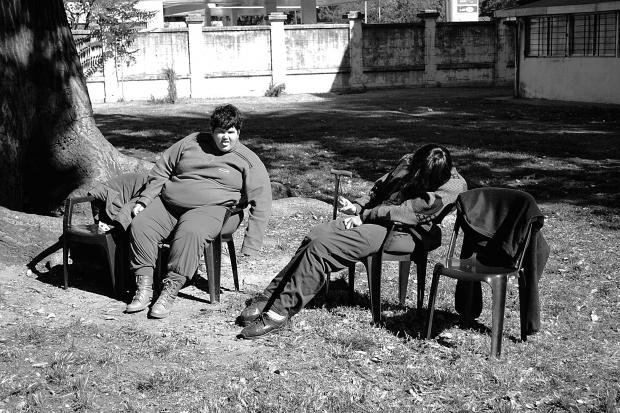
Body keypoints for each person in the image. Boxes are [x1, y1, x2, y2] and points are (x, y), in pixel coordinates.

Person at [237, 144, 467, 339]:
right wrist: (357, 206)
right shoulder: (409, 161)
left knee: (322, 249)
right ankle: (270, 296)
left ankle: (279, 311)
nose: (415, 178)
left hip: (404, 233)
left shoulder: (453, 186)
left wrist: (363, 216)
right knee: (315, 234)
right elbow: (381, 187)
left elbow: (407, 212)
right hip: (371, 219)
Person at [126, 104, 272, 318]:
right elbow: (163, 169)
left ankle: (170, 289)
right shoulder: (192, 142)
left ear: (238, 133)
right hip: (170, 203)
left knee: (191, 232)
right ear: (211, 131)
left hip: (212, 209)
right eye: (220, 132)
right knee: (141, 224)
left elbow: (262, 201)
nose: (225, 138)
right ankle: (144, 286)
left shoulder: (248, 160)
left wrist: (251, 245)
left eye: (231, 132)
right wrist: (145, 199)